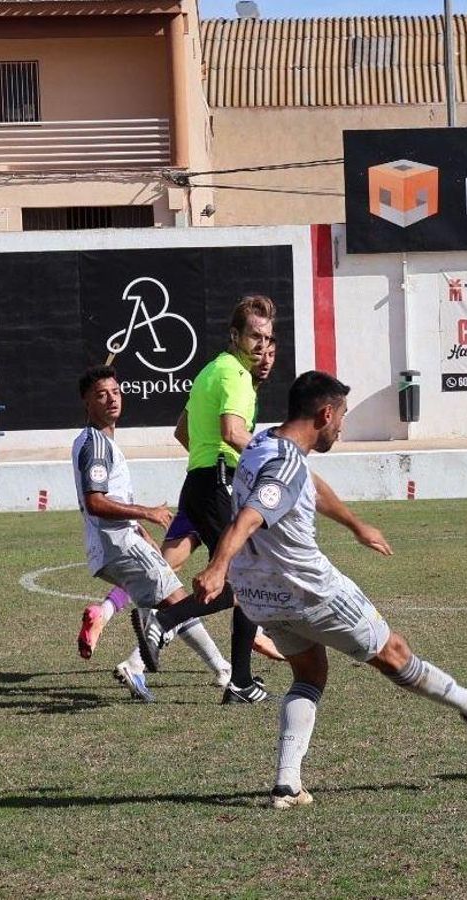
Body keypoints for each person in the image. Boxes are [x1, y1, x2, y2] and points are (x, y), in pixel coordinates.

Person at [192, 371, 467, 809]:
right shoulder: (285, 465)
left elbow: (310, 486)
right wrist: (216, 566)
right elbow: (249, 515)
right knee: (394, 653)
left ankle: (286, 785)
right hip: (311, 591)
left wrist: (355, 524)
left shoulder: (265, 445)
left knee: (310, 673)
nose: (341, 426)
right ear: (324, 413)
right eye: (340, 416)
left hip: (264, 597)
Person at [134, 294, 276, 703]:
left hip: (200, 482)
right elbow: (233, 432)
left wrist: (207, 461)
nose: (262, 345)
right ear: (236, 335)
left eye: (266, 337)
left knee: (248, 582)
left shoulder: (210, 371)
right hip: (219, 483)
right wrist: (274, 455)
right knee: (248, 582)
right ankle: (167, 620)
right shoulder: (234, 375)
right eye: (254, 336)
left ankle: (241, 684)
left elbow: (183, 431)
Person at [69, 365, 198, 703]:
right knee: (179, 603)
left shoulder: (101, 441)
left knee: (171, 602)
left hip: (120, 541)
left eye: (115, 391)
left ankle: (224, 670)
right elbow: (96, 502)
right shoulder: (96, 445)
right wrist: (147, 513)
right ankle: (137, 664)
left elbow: (111, 498)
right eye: (101, 394)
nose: (112, 399)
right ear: (86, 402)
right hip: (118, 546)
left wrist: (141, 528)